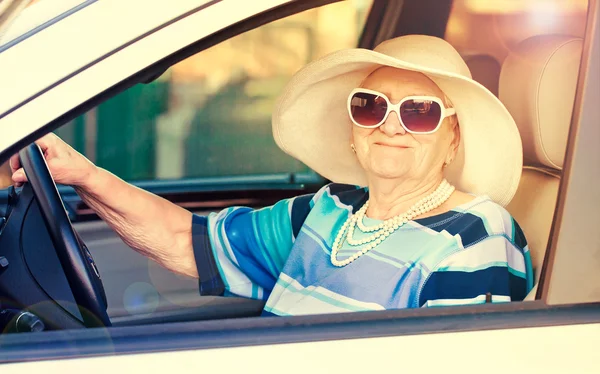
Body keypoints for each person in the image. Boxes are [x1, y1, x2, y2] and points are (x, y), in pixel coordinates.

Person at [10, 35, 533, 316]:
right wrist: (85, 175)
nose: (391, 125)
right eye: (371, 106)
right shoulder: (329, 209)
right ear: (353, 129)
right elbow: (183, 239)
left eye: (419, 111)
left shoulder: (478, 238)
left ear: (453, 136)